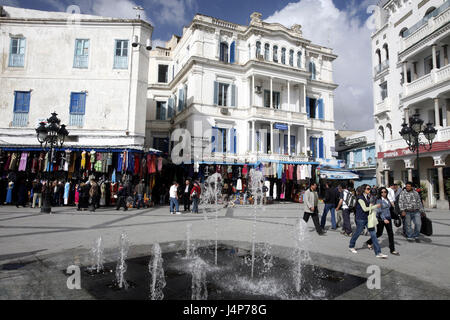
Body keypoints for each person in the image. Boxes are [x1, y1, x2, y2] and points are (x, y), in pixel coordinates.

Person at [349, 184, 388, 259]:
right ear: (364, 189)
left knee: (373, 235)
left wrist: (371, 205)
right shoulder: (360, 198)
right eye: (368, 189)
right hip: (360, 218)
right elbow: (365, 209)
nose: (369, 190)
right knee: (358, 232)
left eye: (369, 189)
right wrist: (376, 206)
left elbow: (369, 207)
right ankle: (351, 246)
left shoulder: (368, 197)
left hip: (368, 219)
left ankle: (378, 253)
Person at [366, 187, 399, 255]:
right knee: (379, 233)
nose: (383, 193)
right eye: (382, 192)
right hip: (381, 219)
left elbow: (390, 209)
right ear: (380, 193)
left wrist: (396, 216)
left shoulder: (388, 199)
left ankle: (392, 249)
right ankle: (369, 242)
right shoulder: (379, 200)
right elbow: (379, 211)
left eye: (385, 192)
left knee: (390, 234)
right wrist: (384, 219)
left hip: (388, 218)